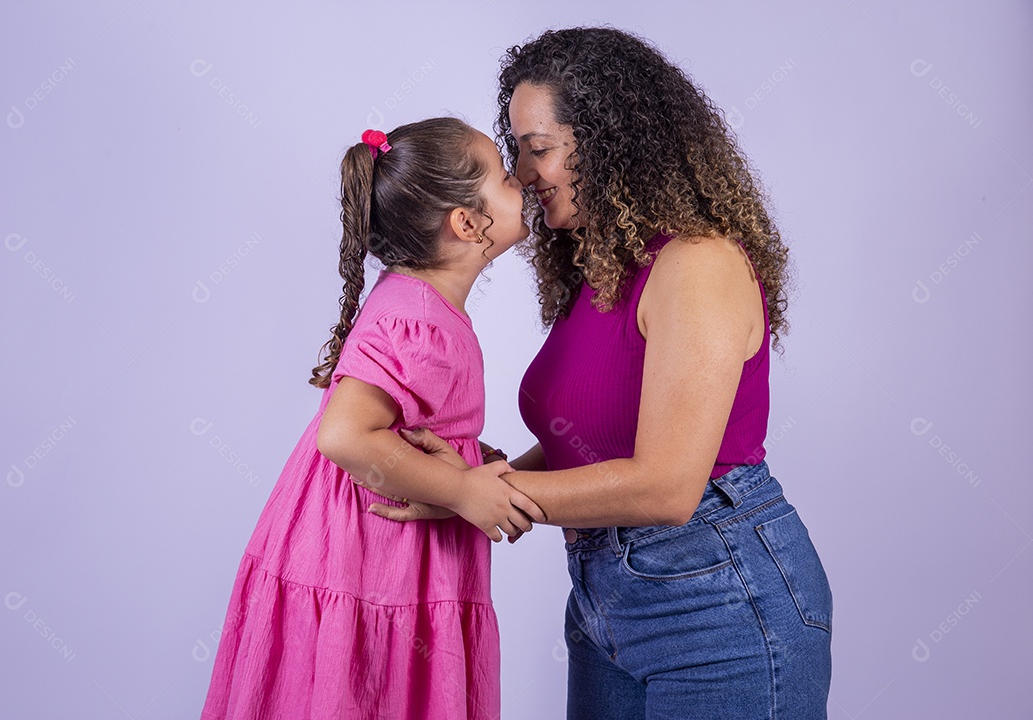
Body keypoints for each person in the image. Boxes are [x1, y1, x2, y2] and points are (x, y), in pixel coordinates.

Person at [371, 28, 833, 719]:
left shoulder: (697, 263)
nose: (524, 177)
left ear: (611, 138)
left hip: (720, 598)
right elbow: (592, 436)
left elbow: (667, 485)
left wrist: (480, 496)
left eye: (539, 150)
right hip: (603, 600)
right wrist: (476, 478)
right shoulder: (605, 266)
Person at [199, 117, 546, 720]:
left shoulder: (416, 302)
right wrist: (462, 487)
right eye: (505, 176)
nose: (523, 179)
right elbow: (344, 434)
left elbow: (402, 421)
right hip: (371, 557)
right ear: (466, 223)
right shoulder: (417, 318)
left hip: (366, 546)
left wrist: (464, 452)